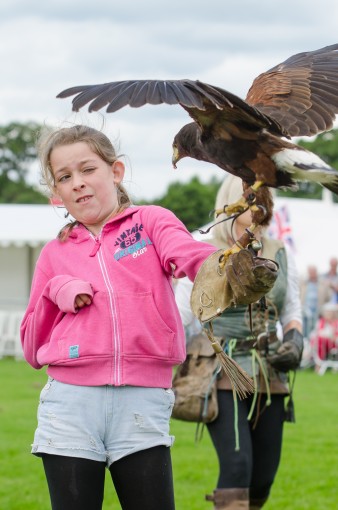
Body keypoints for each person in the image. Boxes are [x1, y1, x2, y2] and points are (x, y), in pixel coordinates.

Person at [20, 124, 223, 510]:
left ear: (115, 171)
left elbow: (189, 254)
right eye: (65, 177)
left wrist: (225, 267)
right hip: (69, 407)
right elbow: (31, 347)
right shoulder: (53, 255)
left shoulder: (151, 221)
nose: (77, 183)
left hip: (141, 404)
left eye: (87, 169)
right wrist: (55, 290)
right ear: (56, 194)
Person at [175, 175, 303, 510]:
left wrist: (295, 338)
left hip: (268, 369)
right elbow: (181, 315)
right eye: (251, 199)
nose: (260, 207)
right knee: (238, 466)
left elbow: (292, 309)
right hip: (220, 370)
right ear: (233, 201)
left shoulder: (278, 250)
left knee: (263, 475)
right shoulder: (203, 247)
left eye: (264, 199)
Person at [300, 265, 332, 339]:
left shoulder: (322, 283)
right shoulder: (303, 283)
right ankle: (306, 341)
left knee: (316, 328)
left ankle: (314, 342)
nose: (312, 274)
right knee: (306, 325)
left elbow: (328, 297)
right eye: (310, 272)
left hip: (318, 310)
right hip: (305, 310)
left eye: (313, 272)